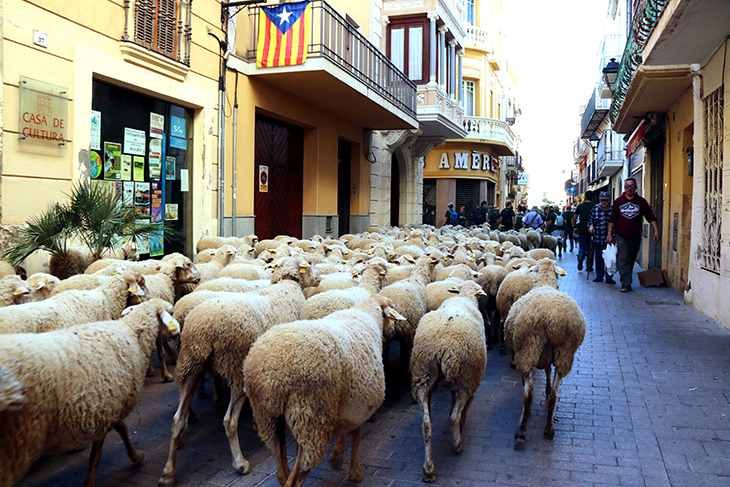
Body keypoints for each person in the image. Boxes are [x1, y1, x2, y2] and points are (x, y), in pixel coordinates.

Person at [607, 178, 660, 292]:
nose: (629, 189)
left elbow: (650, 217)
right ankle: (626, 283)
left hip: (635, 236)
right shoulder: (618, 202)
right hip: (621, 236)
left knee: (631, 259)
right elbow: (612, 219)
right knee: (623, 259)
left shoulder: (641, 202)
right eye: (627, 186)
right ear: (624, 188)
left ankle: (627, 278)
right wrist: (609, 234)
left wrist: (656, 230)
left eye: (632, 186)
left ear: (636, 187)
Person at [588, 192, 615, 284]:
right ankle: (599, 275)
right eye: (602, 200)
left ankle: (609, 276)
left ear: (609, 201)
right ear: (600, 200)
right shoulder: (595, 208)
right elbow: (590, 219)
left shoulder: (613, 209)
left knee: (610, 258)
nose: (604, 202)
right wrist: (591, 226)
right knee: (599, 258)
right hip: (598, 237)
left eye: (606, 200)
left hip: (611, 238)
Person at [574, 191, 595, 272]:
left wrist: (575, 227)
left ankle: (580, 256)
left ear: (585, 197)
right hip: (592, 230)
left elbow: (575, 217)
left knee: (582, 246)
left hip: (582, 229)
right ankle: (589, 266)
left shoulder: (580, 206)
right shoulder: (595, 206)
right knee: (591, 248)